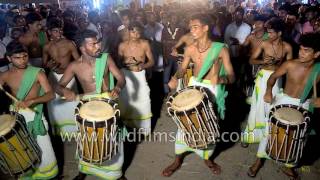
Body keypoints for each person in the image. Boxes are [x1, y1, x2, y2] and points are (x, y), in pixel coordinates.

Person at [163, 13, 235, 177]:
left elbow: (232, 76)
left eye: (195, 27)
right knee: (185, 123)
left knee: (209, 123)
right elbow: (183, 69)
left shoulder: (220, 49)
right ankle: (178, 158)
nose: (192, 31)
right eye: (191, 28)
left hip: (213, 88)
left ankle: (207, 158)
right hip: (194, 85)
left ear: (205, 28)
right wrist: (174, 78)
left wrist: (221, 78)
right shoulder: (190, 48)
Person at [248, 32, 320, 179]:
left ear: (317, 54)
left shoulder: (318, 70)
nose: (301, 53)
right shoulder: (290, 64)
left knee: (299, 138)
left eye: (306, 51)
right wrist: (268, 91)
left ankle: (289, 166)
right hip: (283, 101)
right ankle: (258, 161)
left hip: (304, 105)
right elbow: (273, 77)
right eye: (300, 49)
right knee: (269, 132)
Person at [56, 29, 126, 180]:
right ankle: (83, 170)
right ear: (82, 48)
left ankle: (116, 173)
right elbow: (59, 86)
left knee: (113, 138)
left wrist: (118, 87)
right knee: (85, 140)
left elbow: (120, 78)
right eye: (93, 44)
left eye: (98, 42)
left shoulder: (106, 59)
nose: (98, 46)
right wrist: (64, 91)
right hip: (88, 105)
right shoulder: (74, 66)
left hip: (108, 104)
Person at [0, 41, 58, 179]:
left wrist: (32, 101)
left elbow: (51, 94)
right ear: (9, 58)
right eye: (17, 58)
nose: (22, 60)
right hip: (17, 119)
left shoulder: (37, 73)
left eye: (25, 56)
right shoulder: (4, 76)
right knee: (25, 151)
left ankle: (50, 176)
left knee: (45, 152)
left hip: (35, 115)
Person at [242, 18, 293, 145]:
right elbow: (252, 60)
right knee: (257, 106)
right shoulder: (264, 44)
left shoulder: (287, 47)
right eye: (268, 32)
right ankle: (250, 135)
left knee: (272, 106)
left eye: (271, 32)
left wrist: (280, 66)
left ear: (279, 33)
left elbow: (290, 67)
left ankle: (268, 137)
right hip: (263, 76)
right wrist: (263, 62)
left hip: (277, 78)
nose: (268, 35)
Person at [43, 18, 80, 134]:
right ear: (49, 32)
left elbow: (79, 61)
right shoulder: (46, 47)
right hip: (53, 77)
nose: (59, 34)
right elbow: (44, 63)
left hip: (68, 78)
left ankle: (76, 130)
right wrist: (48, 66)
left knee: (71, 103)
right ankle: (61, 132)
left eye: (60, 31)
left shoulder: (69, 44)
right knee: (56, 106)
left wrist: (69, 69)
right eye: (55, 31)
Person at [118, 21, 154, 135]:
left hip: (140, 75)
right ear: (128, 32)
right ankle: (128, 127)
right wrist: (125, 62)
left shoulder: (145, 44)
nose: (135, 34)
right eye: (133, 32)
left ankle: (144, 129)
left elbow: (152, 61)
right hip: (126, 75)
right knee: (127, 101)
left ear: (141, 33)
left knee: (144, 100)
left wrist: (142, 65)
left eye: (138, 32)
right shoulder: (122, 45)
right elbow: (117, 63)